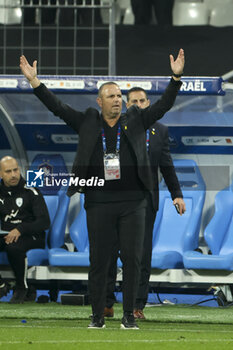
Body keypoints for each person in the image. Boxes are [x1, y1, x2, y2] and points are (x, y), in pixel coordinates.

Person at [19, 48, 184, 329]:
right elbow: (57, 107)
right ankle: (97, 316)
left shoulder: (136, 119)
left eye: (119, 96)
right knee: (99, 261)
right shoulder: (86, 121)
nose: (117, 100)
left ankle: (129, 315)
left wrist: (175, 78)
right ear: (99, 101)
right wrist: (36, 83)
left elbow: (162, 106)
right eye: (111, 96)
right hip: (97, 202)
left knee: (132, 261)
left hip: (134, 203)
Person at [104, 87, 186, 319]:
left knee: (141, 255)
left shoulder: (160, 131)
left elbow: (167, 167)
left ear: (148, 103)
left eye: (141, 101)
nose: (138, 104)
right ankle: (107, 302)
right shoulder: (115, 127)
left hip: (145, 202)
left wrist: (176, 194)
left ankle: (137, 305)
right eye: (133, 101)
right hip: (115, 200)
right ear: (126, 104)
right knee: (110, 252)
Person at [0, 156, 50, 303]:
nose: (13, 174)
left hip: (31, 236)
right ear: (1, 174)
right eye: (8, 171)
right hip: (5, 234)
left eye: (15, 170)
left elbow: (44, 222)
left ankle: (22, 288)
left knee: (13, 247)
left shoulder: (31, 191)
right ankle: (2, 284)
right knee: (9, 242)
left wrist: (20, 229)